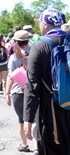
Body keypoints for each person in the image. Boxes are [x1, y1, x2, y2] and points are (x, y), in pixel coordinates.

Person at [23, 8, 70, 155]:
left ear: (45, 24)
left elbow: (32, 85)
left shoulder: (39, 47)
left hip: (52, 110)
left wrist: (28, 120)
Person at [5, 30, 31, 152]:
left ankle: (24, 144)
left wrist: (7, 93)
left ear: (16, 41)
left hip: (18, 92)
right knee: (34, 119)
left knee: (21, 120)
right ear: (28, 40)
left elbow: (10, 77)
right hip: (32, 91)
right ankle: (37, 146)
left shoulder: (13, 57)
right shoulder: (34, 53)